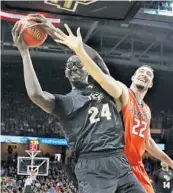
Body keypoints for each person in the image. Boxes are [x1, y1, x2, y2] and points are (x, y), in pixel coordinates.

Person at [12, 16, 146, 193]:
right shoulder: (64, 102)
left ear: (87, 70)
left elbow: (96, 59)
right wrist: (24, 53)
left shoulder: (103, 86)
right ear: (66, 74)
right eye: (70, 66)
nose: (74, 67)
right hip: (91, 166)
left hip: (119, 160)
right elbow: (36, 95)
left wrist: (56, 33)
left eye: (78, 64)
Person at [46, 20, 173, 193]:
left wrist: (170, 161)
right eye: (141, 72)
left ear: (151, 84)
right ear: (133, 77)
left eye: (148, 75)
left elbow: (148, 142)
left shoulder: (146, 111)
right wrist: (78, 48)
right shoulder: (122, 92)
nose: (144, 75)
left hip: (135, 167)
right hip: (115, 163)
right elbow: (101, 75)